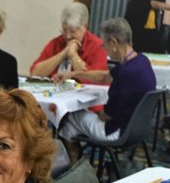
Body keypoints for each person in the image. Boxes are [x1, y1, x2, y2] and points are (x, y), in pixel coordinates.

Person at [55, 18, 156, 159]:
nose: (103, 48)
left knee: (70, 117)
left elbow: (106, 116)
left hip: (116, 131)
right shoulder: (141, 61)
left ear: (113, 43)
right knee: (75, 124)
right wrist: (73, 74)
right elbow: (104, 76)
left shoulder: (126, 74)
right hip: (138, 128)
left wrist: (93, 112)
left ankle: (73, 165)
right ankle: (78, 163)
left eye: (104, 44)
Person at [30, 2, 109, 82]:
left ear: (85, 27)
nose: (67, 36)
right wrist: (64, 53)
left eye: (72, 31)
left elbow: (96, 80)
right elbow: (34, 73)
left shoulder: (97, 46)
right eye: (64, 30)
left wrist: (73, 54)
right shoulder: (56, 42)